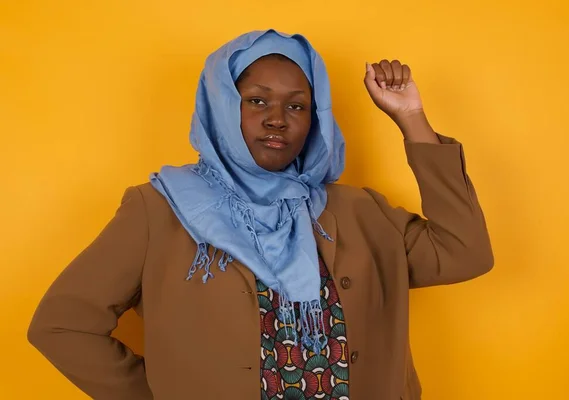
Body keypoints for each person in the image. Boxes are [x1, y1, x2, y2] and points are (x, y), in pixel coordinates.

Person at [27, 29, 493, 400]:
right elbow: (63, 325)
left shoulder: (360, 211)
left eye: (297, 106)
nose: (277, 118)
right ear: (222, 107)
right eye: (256, 101)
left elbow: (464, 253)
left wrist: (412, 119)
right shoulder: (160, 209)